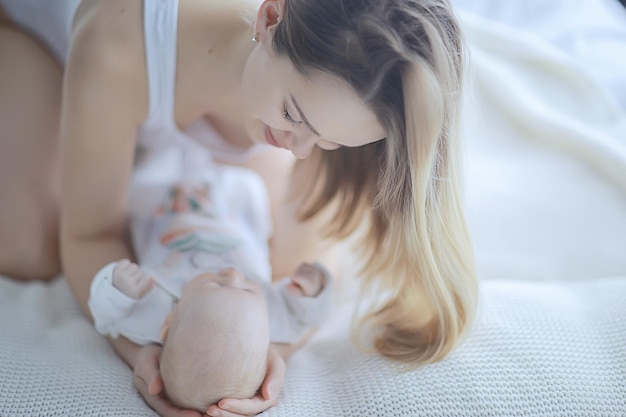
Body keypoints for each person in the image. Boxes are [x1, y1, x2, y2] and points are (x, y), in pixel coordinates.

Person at [0, 0, 478, 416]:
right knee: (32, 246)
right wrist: (141, 350)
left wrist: (263, 354)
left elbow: (296, 273)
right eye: (293, 114)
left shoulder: (349, 98)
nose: (304, 151)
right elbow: (90, 235)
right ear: (269, 17)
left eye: (331, 140)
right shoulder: (124, 37)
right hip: (48, 35)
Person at [87, 157, 332, 413]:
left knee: (150, 167)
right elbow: (308, 315)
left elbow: (107, 315)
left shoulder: (158, 312)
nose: (233, 274)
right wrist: (313, 288)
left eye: (215, 285)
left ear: (168, 324)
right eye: (247, 289)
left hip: (164, 195)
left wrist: (119, 286)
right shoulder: (266, 317)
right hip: (234, 192)